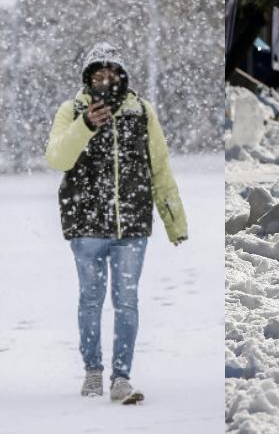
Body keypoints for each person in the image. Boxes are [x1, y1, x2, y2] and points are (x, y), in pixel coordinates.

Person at [45, 42, 188, 404]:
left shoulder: (141, 111)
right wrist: (85, 125)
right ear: (88, 78)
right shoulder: (72, 110)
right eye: (99, 74)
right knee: (91, 300)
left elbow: (160, 168)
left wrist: (174, 221)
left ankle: (121, 377)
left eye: (112, 74)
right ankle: (93, 371)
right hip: (86, 226)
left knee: (126, 302)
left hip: (131, 226)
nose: (106, 80)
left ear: (122, 76)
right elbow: (57, 158)